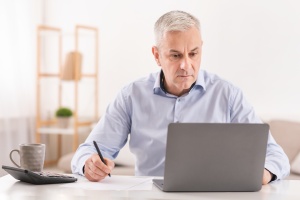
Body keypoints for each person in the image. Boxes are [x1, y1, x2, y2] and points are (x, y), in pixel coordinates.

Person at [71, 10, 290, 184]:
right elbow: (87, 151)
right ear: (157, 55)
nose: (186, 65)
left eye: (193, 53)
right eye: (175, 55)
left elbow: (275, 156)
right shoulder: (131, 95)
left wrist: (265, 173)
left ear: (201, 49)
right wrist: (88, 164)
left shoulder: (228, 95)